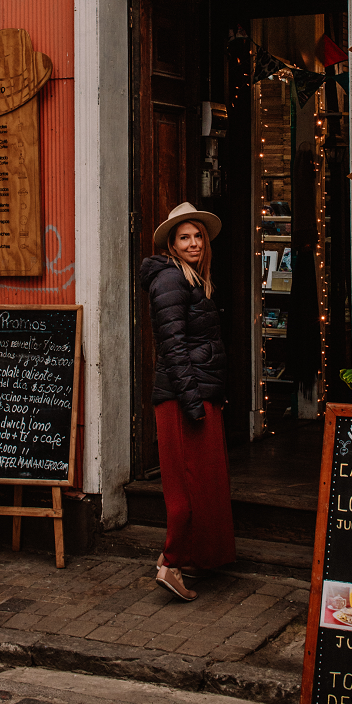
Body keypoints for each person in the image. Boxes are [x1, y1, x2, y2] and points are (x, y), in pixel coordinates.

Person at [140, 202, 236, 602]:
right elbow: (173, 347)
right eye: (185, 237)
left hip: (198, 393)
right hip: (184, 398)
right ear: (172, 244)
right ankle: (171, 562)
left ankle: (193, 557)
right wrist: (192, 401)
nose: (194, 242)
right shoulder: (170, 282)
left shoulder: (193, 279)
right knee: (186, 485)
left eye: (197, 236)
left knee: (205, 481)